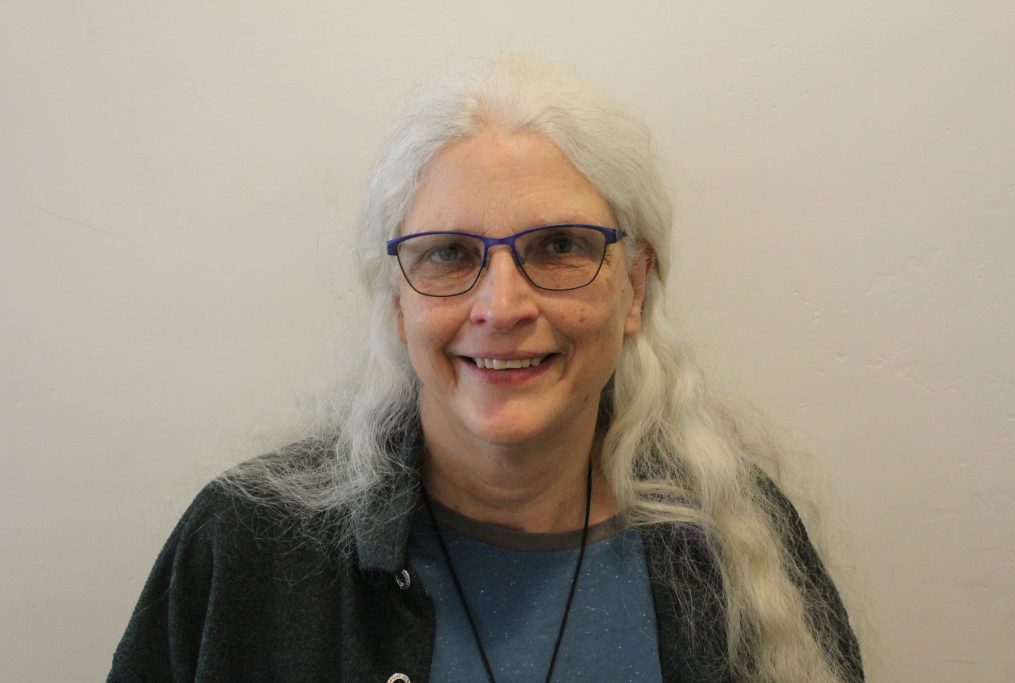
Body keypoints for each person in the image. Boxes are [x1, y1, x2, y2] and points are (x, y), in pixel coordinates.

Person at [109, 56, 863, 683]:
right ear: (397, 300)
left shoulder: (739, 545)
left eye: (559, 246)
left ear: (633, 288)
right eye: (448, 253)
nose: (501, 307)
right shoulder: (242, 551)